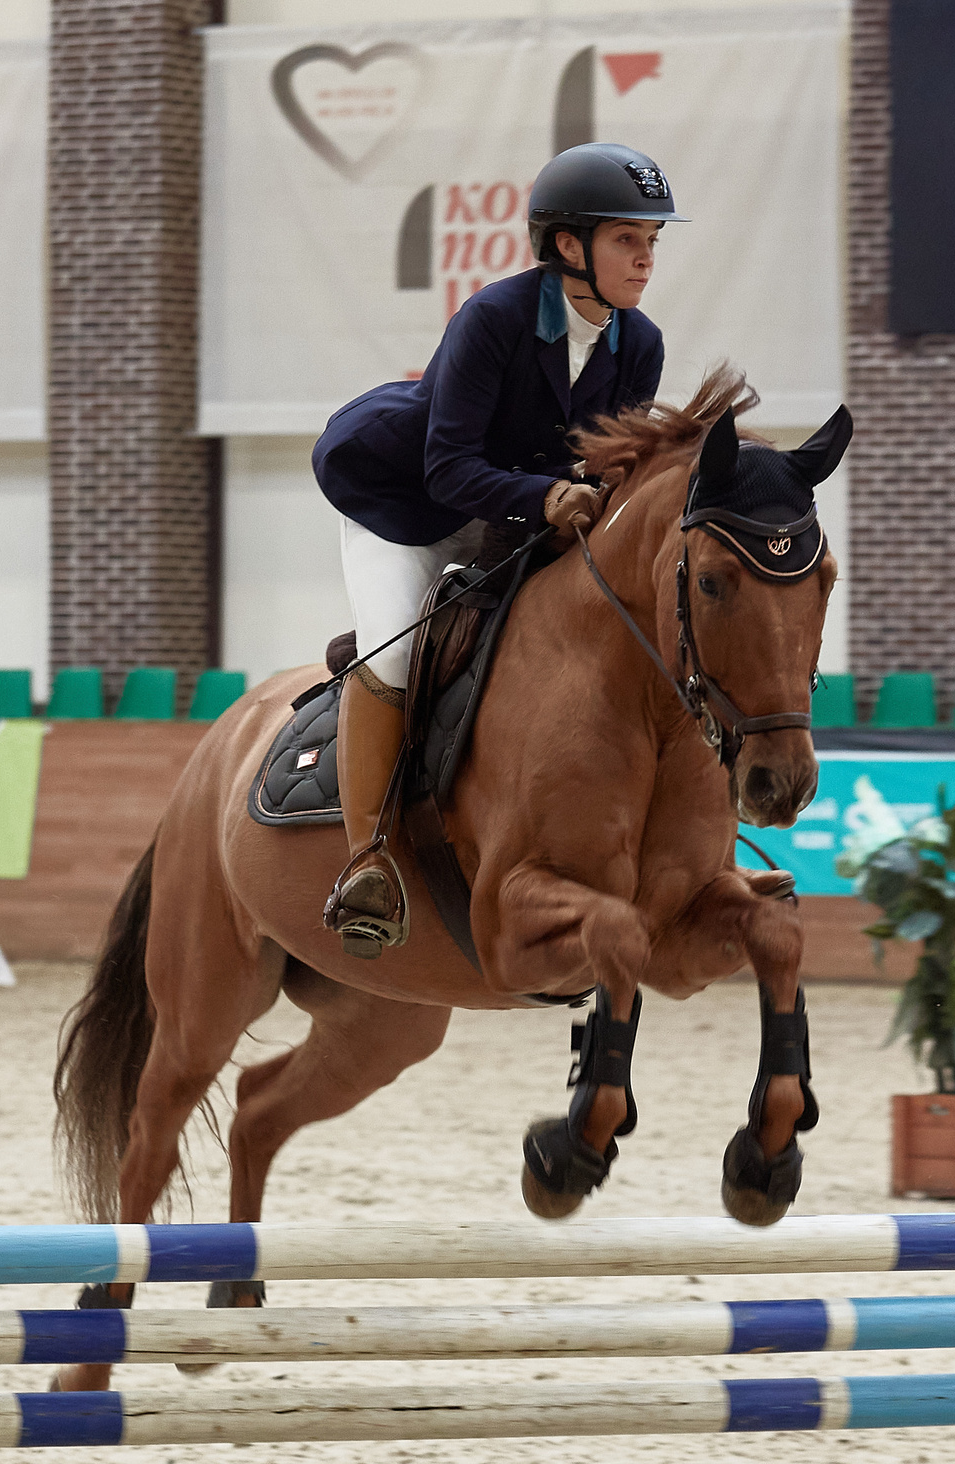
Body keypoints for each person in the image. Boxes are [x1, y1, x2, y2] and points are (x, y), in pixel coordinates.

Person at [310, 142, 683, 957]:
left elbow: (607, 464)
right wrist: (548, 495)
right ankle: (367, 859)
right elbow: (448, 468)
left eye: (653, 240)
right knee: (397, 654)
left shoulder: (640, 343)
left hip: (516, 513)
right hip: (405, 502)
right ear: (567, 246)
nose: (648, 257)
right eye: (629, 239)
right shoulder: (495, 317)